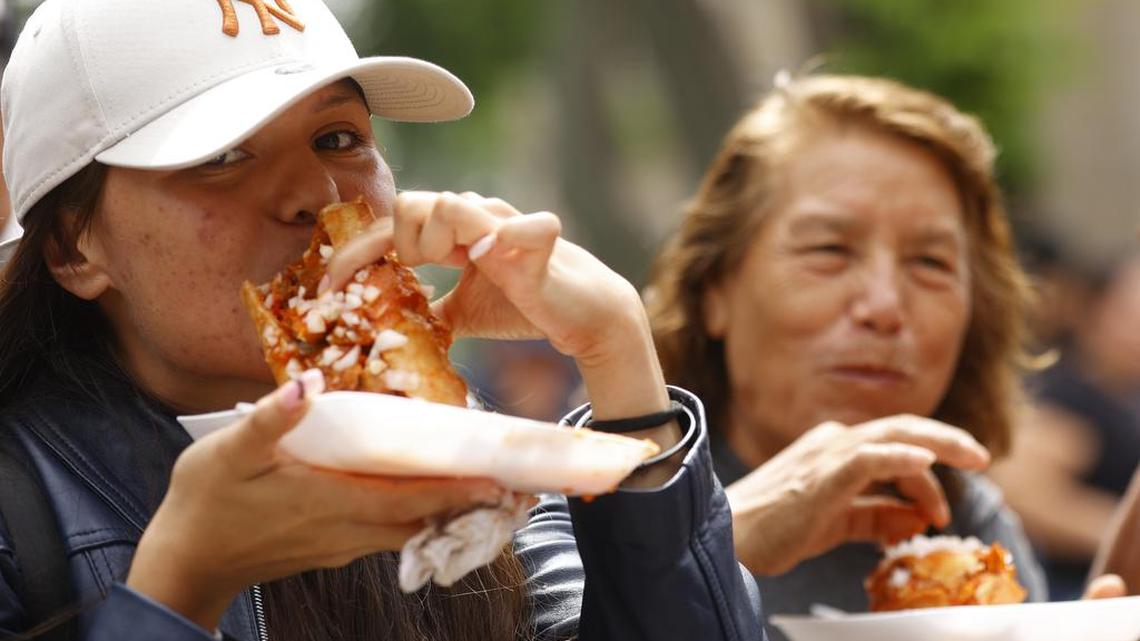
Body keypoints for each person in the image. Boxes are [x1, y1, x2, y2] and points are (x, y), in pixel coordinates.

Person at [0, 1, 760, 640]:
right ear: (74, 246)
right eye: (223, 154)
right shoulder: (20, 511)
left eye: (339, 138)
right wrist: (180, 585)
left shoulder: (464, 455)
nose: (320, 191)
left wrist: (621, 356)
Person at [646, 73, 1047, 634]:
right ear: (714, 290)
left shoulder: (966, 525)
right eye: (829, 250)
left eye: (931, 263)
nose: (884, 306)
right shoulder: (587, 512)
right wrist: (715, 544)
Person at [992, 254, 1140, 600]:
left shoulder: (1124, 396)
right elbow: (1022, 491)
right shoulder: (1069, 393)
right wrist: (1120, 534)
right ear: (1096, 311)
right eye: (1131, 313)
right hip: (1073, 594)